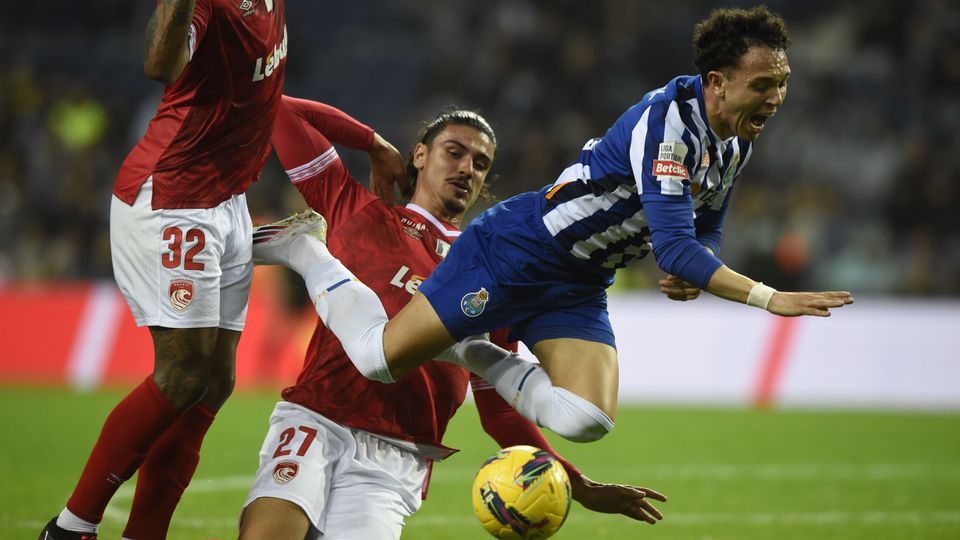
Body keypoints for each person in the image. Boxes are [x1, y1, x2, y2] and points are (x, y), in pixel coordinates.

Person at [252, 7, 853, 447]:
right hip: (522, 250)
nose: (777, 98)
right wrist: (767, 297)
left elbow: (703, 229)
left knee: (588, 419)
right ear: (718, 83)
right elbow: (672, 246)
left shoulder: (733, 142)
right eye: (764, 85)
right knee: (380, 360)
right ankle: (307, 254)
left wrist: (697, 269)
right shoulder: (668, 123)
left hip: (582, 281)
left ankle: (472, 348)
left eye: (782, 84)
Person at [237, 96, 667, 539]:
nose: (467, 168)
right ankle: (303, 250)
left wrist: (575, 482)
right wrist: (375, 145)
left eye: (481, 163)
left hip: (399, 454)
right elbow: (280, 109)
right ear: (420, 156)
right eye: (454, 152)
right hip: (317, 416)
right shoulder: (359, 210)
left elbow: (498, 408)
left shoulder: (493, 268)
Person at [41, 1, 287, 539]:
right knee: (182, 374)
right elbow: (159, 63)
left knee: (216, 381)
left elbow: (268, 96)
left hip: (227, 198)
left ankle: (144, 534)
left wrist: (364, 141)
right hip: (174, 195)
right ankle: (70, 527)